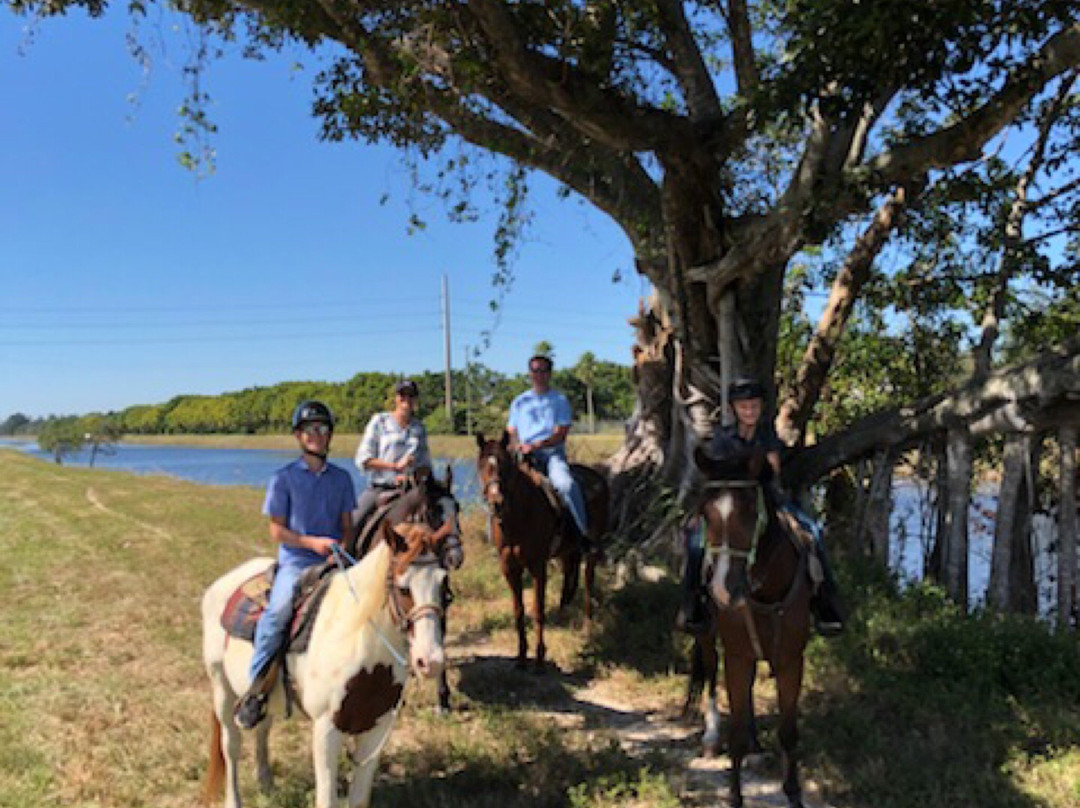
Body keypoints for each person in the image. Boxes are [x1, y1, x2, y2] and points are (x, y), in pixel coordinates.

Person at [678, 377, 845, 636]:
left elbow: (773, 470)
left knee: (813, 532)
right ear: (734, 408)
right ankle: (692, 603)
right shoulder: (722, 437)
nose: (749, 412)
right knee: (693, 540)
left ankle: (826, 603)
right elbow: (714, 474)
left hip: (767, 497)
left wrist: (760, 464)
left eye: (754, 406)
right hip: (728, 501)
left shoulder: (767, 435)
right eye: (744, 407)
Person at [235, 400, 357, 729]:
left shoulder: (342, 479)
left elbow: (348, 527)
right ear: (299, 436)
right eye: (310, 430)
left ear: (330, 434)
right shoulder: (283, 479)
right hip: (297, 563)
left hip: (336, 561)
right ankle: (255, 690)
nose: (317, 435)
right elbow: (276, 530)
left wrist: (341, 548)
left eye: (323, 428)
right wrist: (311, 543)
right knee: (277, 613)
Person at [507, 354, 591, 551]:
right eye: (535, 370)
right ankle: (498, 540)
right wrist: (516, 444)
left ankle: (582, 533)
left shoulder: (559, 400)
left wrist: (536, 445)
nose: (538, 375)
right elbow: (511, 430)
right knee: (499, 489)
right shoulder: (519, 402)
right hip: (523, 455)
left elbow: (560, 433)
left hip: (551, 454)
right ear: (529, 373)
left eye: (543, 370)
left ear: (549, 374)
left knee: (565, 484)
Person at [353, 379, 432, 540]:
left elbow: (426, 465)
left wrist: (413, 475)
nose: (407, 400)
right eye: (403, 395)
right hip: (381, 488)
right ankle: (342, 558)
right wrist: (394, 466)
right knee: (353, 522)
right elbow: (363, 459)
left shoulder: (419, 428)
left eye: (411, 396)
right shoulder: (379, 421)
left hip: (411, 490)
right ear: (396, 398)